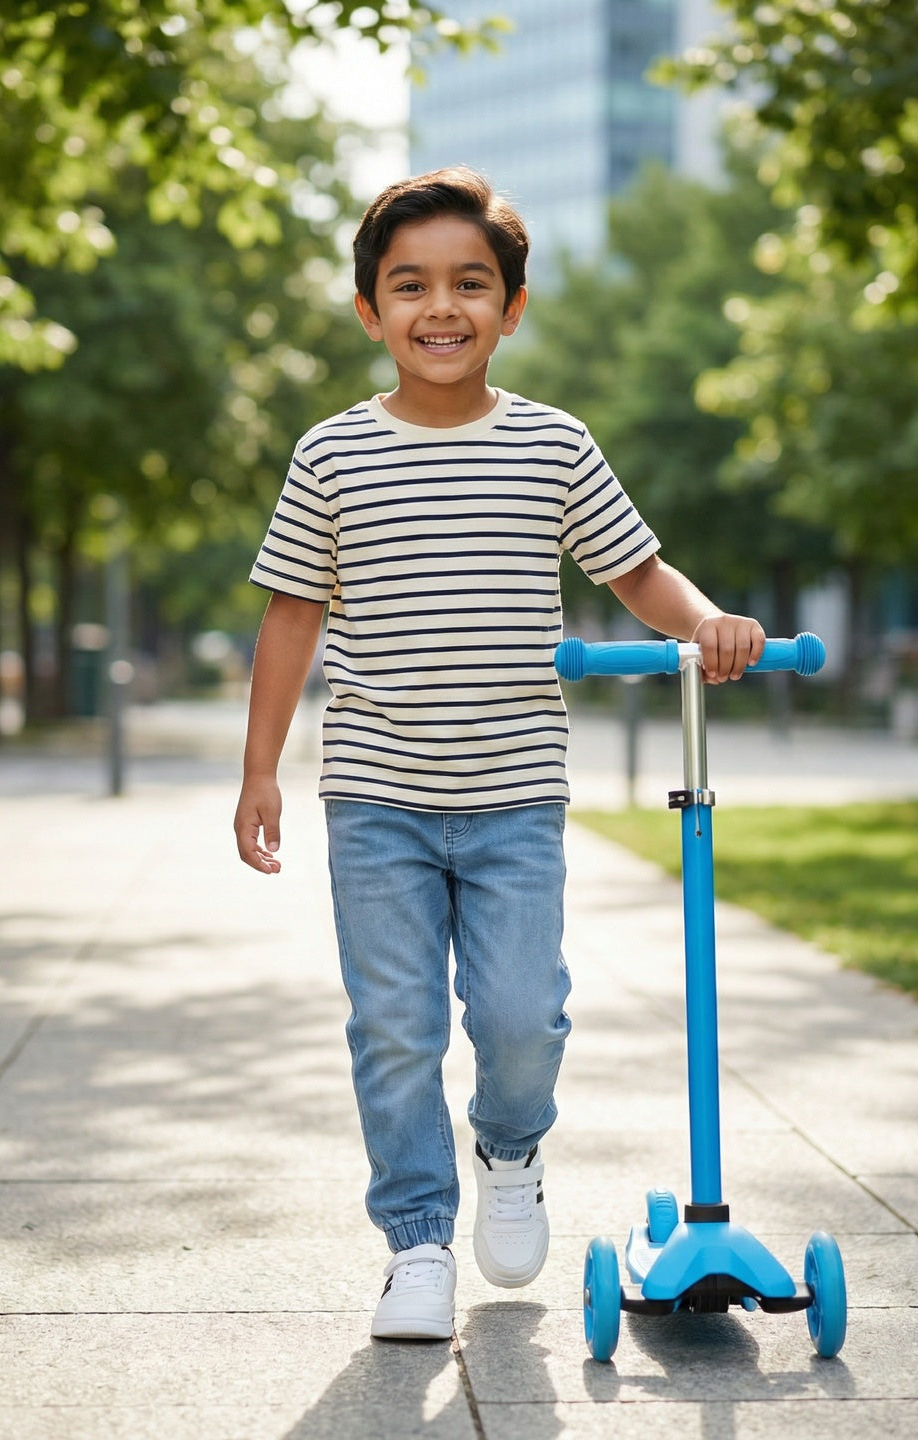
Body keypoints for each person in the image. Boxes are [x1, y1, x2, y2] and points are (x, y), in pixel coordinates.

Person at [234, 167, 765, 1341]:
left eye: (471, 284)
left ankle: (510, 1151)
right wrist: (261, 766)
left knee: (523, 1018)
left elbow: (637, 574)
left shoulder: (553, 446)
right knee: (395, 1025)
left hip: (516, 794)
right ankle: (417, 1244)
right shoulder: (331, 456)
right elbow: (289, 615)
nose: (442, 307)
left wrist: (709, 622)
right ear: (370, 311)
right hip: (376, 796)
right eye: (410, 284)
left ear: (511, 308)